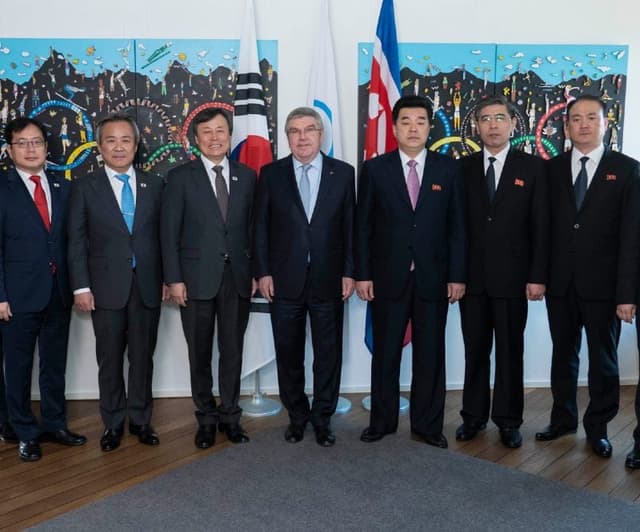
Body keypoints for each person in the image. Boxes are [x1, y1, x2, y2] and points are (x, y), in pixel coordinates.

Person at [355, 95, 466, 449]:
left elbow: (457, 228)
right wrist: (363, 274)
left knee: (431, 353)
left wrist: (457, 275)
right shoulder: (375, 169)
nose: (413, 128)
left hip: (434, 278)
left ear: (430, 127)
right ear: (394, 127)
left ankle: (428, 425)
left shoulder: (449, 169)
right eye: (406, 121)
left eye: (420, 121)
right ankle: (382, 421)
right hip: (388, 277)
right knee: (386, 352)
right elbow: (363, 227)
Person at [537, 95, 640, 459]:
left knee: (603, 361)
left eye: (591, 118)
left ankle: (598, 428)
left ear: (604, 123)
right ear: (566, 127)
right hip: (560, 283)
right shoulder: (549, 171)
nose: (583, 124)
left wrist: (627, 293)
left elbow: (631, 236)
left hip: (605, 288)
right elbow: (542, 230)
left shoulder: (627, 170)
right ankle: (562, 418)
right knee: (563, 355)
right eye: (576, 119)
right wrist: (538, 276)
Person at [254, 106, 355, 447]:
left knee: (328, 354)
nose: (302, 137)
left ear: (320, 134)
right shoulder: (271, 174)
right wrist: (263, 272)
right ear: (287, 137)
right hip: (284, 281)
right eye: (294, 131)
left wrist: (349, 272)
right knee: (289, 353)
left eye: (309, 130)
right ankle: (297, 417)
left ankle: (322, 418)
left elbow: (349, 229)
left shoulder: (343, 174)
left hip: (329, 279)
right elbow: (261, 228)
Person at [68, 113, 165, 452]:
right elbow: (76, 241)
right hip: (104, 288)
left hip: (148, 286)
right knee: (109, 359)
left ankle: (140, 420)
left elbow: (163, 238)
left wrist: (169, 279)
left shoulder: (155, 185)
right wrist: (81, 287)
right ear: (100, 146)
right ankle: (112, 423)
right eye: (111, 140)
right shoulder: (85, 187)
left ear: (136, 145)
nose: (119, 146)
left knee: (142, 358)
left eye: (126, 140)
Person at [457, 95, 549, 449]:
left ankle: (509, 420)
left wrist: (537, 275)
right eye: (485, 118)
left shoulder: (533, 168)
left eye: (499, 118)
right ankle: (473, 416)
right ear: (476, 126)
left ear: (513, 124)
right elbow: (456, 228)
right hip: (473, 280)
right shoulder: (461, 169)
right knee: (475, 350)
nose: (492, 125)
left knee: (511, 352)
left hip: (515, 280)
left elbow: (541, 227)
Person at [161, 108, 256, 449]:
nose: (215, 138)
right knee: (199, 353)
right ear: (196, 139)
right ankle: (205, 418)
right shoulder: (179, 177)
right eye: (207, 132)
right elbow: (168, 234)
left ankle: (231, 416)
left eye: (220, 131)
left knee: (233, 351)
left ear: (229, 135)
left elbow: (252, 230)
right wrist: (173, 278)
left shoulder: (247, 176)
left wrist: (256, 272)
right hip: (194, 280)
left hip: (237, 279)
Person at [0, 117, 86, 461]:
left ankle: (54, 423)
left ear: (47, 149)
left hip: (58, 293)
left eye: (37, 142)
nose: (31, 148)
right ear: (10, 150)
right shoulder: (2, 187)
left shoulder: (63, 186)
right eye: (23, 143)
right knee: (18, 367)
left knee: (54, 364)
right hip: (16, 297)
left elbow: (72, 241)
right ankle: (23, 430)